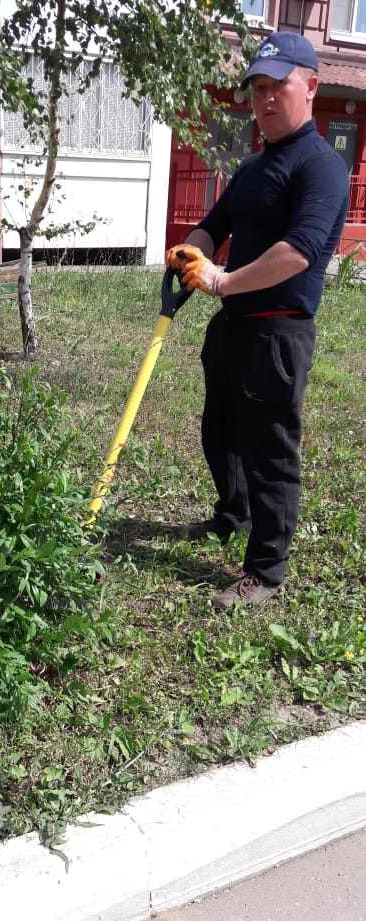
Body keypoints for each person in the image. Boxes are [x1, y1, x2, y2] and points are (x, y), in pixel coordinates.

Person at [166, 31, 349, 610]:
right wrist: (190, 254)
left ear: (311, 86)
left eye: (279, 86)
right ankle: (233, 514)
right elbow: (211, 226)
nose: (266, 99)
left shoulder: (321, 167)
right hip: (232, 328)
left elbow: (297, 251)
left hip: (278, 331)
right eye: (258, 88)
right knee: (219, 432)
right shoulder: (251, 167)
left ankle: (266, 572)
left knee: (270, 451)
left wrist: (221, 280)